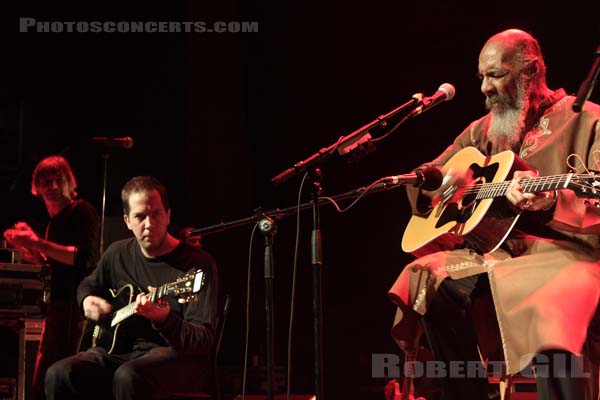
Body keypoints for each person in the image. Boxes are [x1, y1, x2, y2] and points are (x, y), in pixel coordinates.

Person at [387, 29, 600, 400]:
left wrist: (550, 202)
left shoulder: (588, 120)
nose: (485, 87)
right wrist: (442, 181)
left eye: (496, 75)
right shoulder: (483, 131)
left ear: (531, 72)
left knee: (552, 303)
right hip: (497, 255)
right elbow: (426, 178)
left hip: (571, 254)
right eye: (482, 77)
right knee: (427, 279)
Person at [44, 175, 219, 400]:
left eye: (156, 214)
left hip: (178, 358)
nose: (149, 224)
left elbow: (203, 340)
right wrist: (86, 300)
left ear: (168, 215)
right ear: (127, 221)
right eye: (140, 216)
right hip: (118, 351)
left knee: (129, 376)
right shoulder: (117, 253)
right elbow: (88, 284)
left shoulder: (197, 266)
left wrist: (165, 319)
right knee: (59, 374)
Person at [3, 155, 100, 400]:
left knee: (60, 378)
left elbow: (83, 259)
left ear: (69, 182)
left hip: (77, 308)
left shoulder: (82, 211)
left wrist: (38, 243)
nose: (53, 187)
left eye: (58, 180)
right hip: (57, 307)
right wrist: (30, 250)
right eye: (46, 182)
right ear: (37, 189)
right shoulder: (54, 224)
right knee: (44, 381)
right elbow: (54, 265)